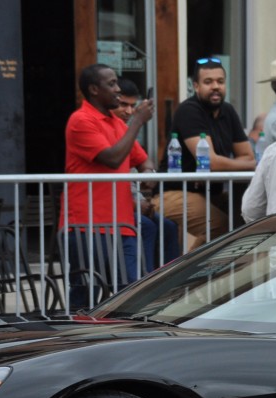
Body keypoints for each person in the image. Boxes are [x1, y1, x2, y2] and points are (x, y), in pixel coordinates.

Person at [61, 63, 154, 307]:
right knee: (86, 294)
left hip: (121, 225)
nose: (118, 90)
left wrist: (148, 174)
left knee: (129, 295)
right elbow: (112, 158)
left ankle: (125, 342)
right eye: (111, 84)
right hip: (87, 225)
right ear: (94, 89)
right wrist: (137, 122)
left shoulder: (116, 123)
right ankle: (75, 341)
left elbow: (143, 160)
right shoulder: (80, 120)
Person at [156, 56, 256, 251]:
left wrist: (229, 162)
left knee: (249, 219)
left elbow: (249, 157)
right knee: (219, 228)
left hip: (210, 191)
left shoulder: (228, 111)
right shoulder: (189, 110)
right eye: (208, 82)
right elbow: (210, 162)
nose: (215, 87)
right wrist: (238, 164)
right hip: (176, 190)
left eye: (220, 81)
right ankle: (188, 279)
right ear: (196, 86)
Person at [112, 78, 180, 272]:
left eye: (133, 106)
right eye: (123, 104)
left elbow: (144, 161)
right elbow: (110, 179)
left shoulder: (125, 130)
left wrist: (148, 173)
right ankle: (145, 289)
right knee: (147, 226)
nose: (129, 111)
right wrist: (136, 205)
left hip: (132, 203)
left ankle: (171, 285)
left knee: (169, 227)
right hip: (110, 209)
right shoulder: (109, 129)